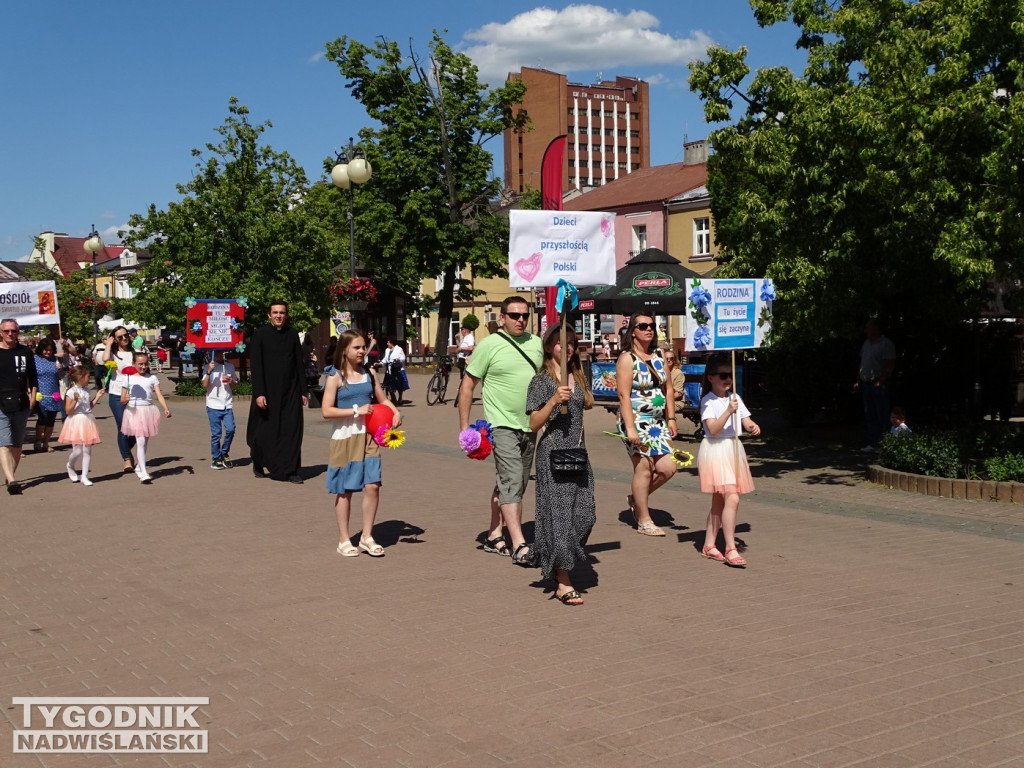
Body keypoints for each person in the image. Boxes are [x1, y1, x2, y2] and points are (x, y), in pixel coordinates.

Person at [458, 296, 543, 564]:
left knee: (512, 481)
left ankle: (495, 534)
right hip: (500, 424)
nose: (520, 320)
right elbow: (467, 386)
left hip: (529, 424)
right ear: (502, 317)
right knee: (512, 479)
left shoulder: (536, 344)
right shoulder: (489, 345)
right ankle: (519, 544)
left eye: (524, 316)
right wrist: (465, 429)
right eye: (514, 315)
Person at [526, 323, 596, 606]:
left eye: (570, 343)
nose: (565, 347)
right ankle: (563, 581)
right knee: (559, 519)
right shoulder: (541, 381)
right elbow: (532, 423)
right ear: (548, 346)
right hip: (552, 455)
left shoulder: (577, 377)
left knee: (585, 515)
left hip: (578, 454)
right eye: (559, 342)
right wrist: (554, 400)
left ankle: (552, 556)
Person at [322, 330, 402, 557]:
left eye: (363, 347)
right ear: (345, 350)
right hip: (345, 437)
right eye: (356, 347)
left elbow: (383, 399)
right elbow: (327, 411)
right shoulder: (335, 376)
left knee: (372, 485)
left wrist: (394, 411)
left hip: (369, 436)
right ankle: (344, 540)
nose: (362, 351)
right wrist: (356, 410)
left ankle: (367, 536)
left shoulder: (369, 373)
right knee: (345, 490)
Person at [616, 314, 678, 536]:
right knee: (644, 468)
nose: (649, 329)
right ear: (633, 330)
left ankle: (636, 498)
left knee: (668, 468)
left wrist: (671, 418)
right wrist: (630, 427)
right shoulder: (627, 359)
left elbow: (668, 389)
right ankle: (644, 520)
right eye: (643, 326)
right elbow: (623, 395)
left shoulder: (660, 355)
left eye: (652, 326)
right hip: (635, 420)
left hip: (657, 422)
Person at [698, 354, 760, 566]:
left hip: (733, 450)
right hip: (716, 450)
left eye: (730, 375)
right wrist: (727, 411)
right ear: (711, 378)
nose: (728, 380)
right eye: (723, 375)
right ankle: (731, 547)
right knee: (731, 498)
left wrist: (752, 426)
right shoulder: (708, 401)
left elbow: (745, 419)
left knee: (719, 501)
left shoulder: (735, 398)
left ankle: (708, 544)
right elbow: (713, 429)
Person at [247, 301, 307, 483]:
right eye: (275, 312)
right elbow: (256, 366)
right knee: (264, 433)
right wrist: (259, 393)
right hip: (267, 392)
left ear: (286, 315)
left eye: (282, 313)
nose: (278, 316)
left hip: (290, 392)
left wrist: (303, 390)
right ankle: (259, 460)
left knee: (291, 430)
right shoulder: (260, 335)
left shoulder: (292, 334)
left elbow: (298, 363)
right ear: (269, 315)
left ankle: (291, 470)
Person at [118, 351, 172, 483]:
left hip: (148, 410)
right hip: (134, 411)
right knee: (140, 440)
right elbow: (122, 400)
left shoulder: (151, 378)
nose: (143, 367)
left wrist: (166, 408)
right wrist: (126, 398)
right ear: (133, 364)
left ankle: (139, 466)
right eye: (140, 364)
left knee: (144, 442)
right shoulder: (128, 378)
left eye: (146, 364)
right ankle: (143, 472)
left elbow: (158, 395)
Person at [0, 319, 38, 495]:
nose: (10, 334)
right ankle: (13, 480)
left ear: (18, 332)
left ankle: (10, 476)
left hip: (21, 403)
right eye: (6, 331)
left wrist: (33, 396)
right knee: (4, 442)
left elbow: (32, 376)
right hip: (1, 404)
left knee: (17, 444)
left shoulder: (25, 352)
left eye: (13, 331)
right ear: (1, 332)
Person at [854, 318, 896, 453]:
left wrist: (881, 381)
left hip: (878, 382)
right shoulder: (866, 343)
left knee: (882, 413)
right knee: (870, 414)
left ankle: (885, 444)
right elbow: (862, 363)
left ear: (876, 329)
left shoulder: (886, 344)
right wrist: (858, 380)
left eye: (869, 328)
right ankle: (873, 443)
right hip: (866, 382)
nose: (866, 330)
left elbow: (889, 365)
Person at [59, 364, 104, 486]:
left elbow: (88, 407)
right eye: (88, 376)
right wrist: (75, 400)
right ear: (80, 377)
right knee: (78, 451)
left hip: (87, 419)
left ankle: (84, 476)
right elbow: (68, 411)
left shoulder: (87, 390)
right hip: (76, 421)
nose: (89, 378)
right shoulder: (71, 391)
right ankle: (70, 465)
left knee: (87, 449)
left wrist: (97, 397)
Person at [104, 326, 139, 471]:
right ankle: (127, 459)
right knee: (123, 427)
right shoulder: (113, 353)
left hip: (134, 394)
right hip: (117, 393)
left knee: (136, 429)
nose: (124, 338)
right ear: (115, 340)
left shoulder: (134, 353)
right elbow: (105, 359)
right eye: (120, 337)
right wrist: (108, 344)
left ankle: (125, 449)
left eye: (126, 335)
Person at [203, 349, 237, 470]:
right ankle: (216, 458)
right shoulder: (208, 367)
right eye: (215, 353)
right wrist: (209, 372)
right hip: (213, 405)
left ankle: (224, 452)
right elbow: (205, 385)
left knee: (231, 429)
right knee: (216, 434)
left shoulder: (229, 366)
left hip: (227, 404)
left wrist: (231, 381)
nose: (218, 355)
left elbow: (234, 385)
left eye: (220, 352)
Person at [32, 337, 65, 453]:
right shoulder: (35, 359)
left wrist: (60, 370)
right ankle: (37, 441)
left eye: (50, 350)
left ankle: (46, 443)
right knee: (43, 417)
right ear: (41, 349)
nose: (48, 352)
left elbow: (61, 376)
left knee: (51, 420)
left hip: (54, 393)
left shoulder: (56, 359)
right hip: (40, 393)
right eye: (45, 350)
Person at [380, 338, 409, 405]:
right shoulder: (387, 350)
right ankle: (393, 398)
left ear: (391, 343)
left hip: (397, 369)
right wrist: (381, 363)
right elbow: (385, 359)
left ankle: (400, 398)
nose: (387, 344)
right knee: (388, 385)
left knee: (399, 385)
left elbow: (403, 358)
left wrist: (398, 359)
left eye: (388, 342)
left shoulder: (399, 349)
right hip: (389, 370)